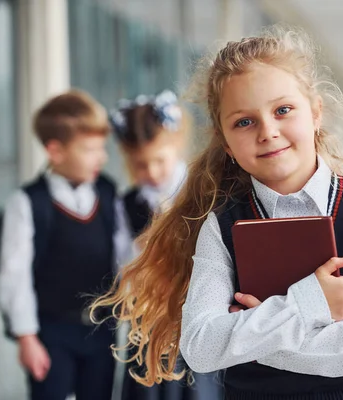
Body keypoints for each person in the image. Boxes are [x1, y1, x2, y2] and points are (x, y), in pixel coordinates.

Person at [92, 25, 343, 399]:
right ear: (226, 143)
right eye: (244, 122)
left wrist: (254, 335)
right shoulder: (221, 225)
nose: (268, 131)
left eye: (283, 110)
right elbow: (200, 346)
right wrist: (310, 302)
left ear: (315, 113)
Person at [0, 89, 118, 400]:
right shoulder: (28, 203)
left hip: (100, 330)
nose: (102, 157)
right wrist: (27, 338)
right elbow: (14, 275)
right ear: (56, 151)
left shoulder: (107, 193)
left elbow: (124, 254)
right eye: (91, 149)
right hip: (51, 333)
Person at [110, 90, 223, 400]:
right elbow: (122, 265)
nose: (152, 172)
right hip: (149, 316)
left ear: (176, 145)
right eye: (140, 165)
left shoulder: (200, 191)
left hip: (196, 312)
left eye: (159, 160)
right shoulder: (128, 204)